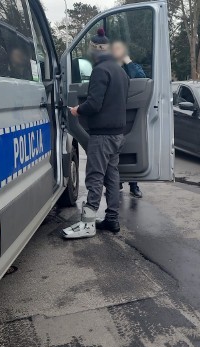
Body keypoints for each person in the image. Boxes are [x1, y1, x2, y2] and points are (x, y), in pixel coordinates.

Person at [61, 28, 130, 239]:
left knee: (94, 177)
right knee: (112, 177)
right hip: (118, 134)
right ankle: (112, 219)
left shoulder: (100, 71)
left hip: (102, 136)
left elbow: (94, 103)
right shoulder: (120, 71)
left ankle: (88, 223)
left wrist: (77, 110)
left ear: (95, 50)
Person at [112, 40, 145, 198]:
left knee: (131, 149)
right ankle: (116, 181)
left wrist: (128, 62)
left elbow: (140, 78)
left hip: (132, 114)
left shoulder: (133, 66)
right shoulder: (110, 67)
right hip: (115, 114)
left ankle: (133, 184)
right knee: (115, 151)